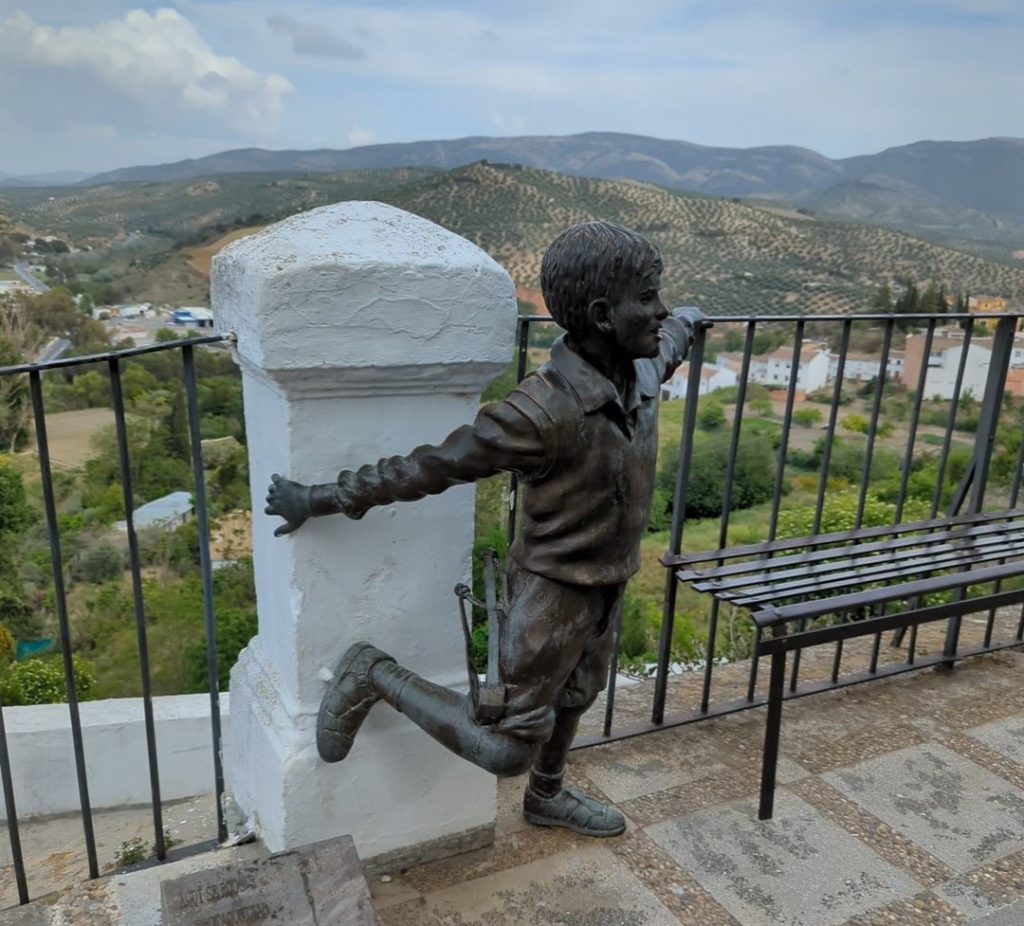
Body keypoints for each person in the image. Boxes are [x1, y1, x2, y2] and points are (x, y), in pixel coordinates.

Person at [265, 221, 708, 837]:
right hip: (550, 592)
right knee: (505, 749)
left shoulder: (646, 370)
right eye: (649, 297)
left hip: (609, 580)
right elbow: (427, 467)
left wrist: (691, 314)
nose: (659, 310)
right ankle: (373, 672)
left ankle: (547, 797)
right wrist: (319, 498)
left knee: (578, 696)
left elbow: (679, 331)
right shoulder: (539, 411)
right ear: (604, 315)